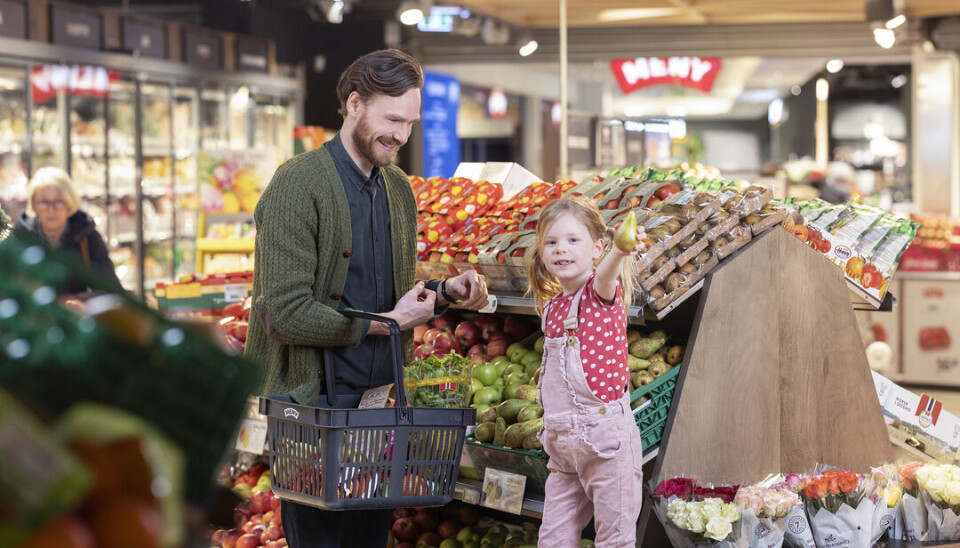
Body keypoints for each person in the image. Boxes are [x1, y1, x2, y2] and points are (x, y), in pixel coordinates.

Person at [245, 49, 489, 548]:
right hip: (315, 411)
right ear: (355, 104)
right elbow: (284, 314)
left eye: (410, 123)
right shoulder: (298, 183)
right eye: (392, 118)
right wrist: (390, 322)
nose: (402, 135)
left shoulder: (398, 187)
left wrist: (442, 293)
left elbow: (390, 294)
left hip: (380, 406)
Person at [526, 195, 647, 547]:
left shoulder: (600, 294)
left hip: (606, 442)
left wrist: (621, 252)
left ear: (597, 248)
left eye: (572, 240)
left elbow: (608, 272)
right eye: (551, 242)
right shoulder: (552, 308)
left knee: (614, 539)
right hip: (562, 448)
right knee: (553, 538)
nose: (560, 249)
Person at [15, 167, 120, 293]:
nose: (51, 209)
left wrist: (80, 302)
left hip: (76, 312)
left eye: (59, 202)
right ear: (34, 205)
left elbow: (111, 289)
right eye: (44, 202)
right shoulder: (20, 238)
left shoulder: (87, 237)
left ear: (70, 204)